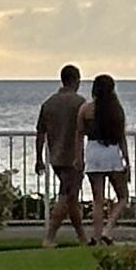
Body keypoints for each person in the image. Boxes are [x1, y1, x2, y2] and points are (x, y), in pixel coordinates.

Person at [36, 62, 90, 246]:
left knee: (72, 198)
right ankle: (49, 237)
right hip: (73, 158)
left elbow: (40, 133)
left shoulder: (49, 103)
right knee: (66, 197)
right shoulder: (80, 103)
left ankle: (82, 237)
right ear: (76, 80)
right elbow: (88, 129)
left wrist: (38, 158)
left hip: (56, 158)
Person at [82, 72, 131, 242]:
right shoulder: (116, 110)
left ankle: (95, 236)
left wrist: (77, 157)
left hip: (93, 152)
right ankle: (107, 229)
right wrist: (127, 161)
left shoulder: (86, 109)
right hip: (111, 153)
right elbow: (121, 138)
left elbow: (78, 133)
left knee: (97, 199)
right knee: (123, 196)